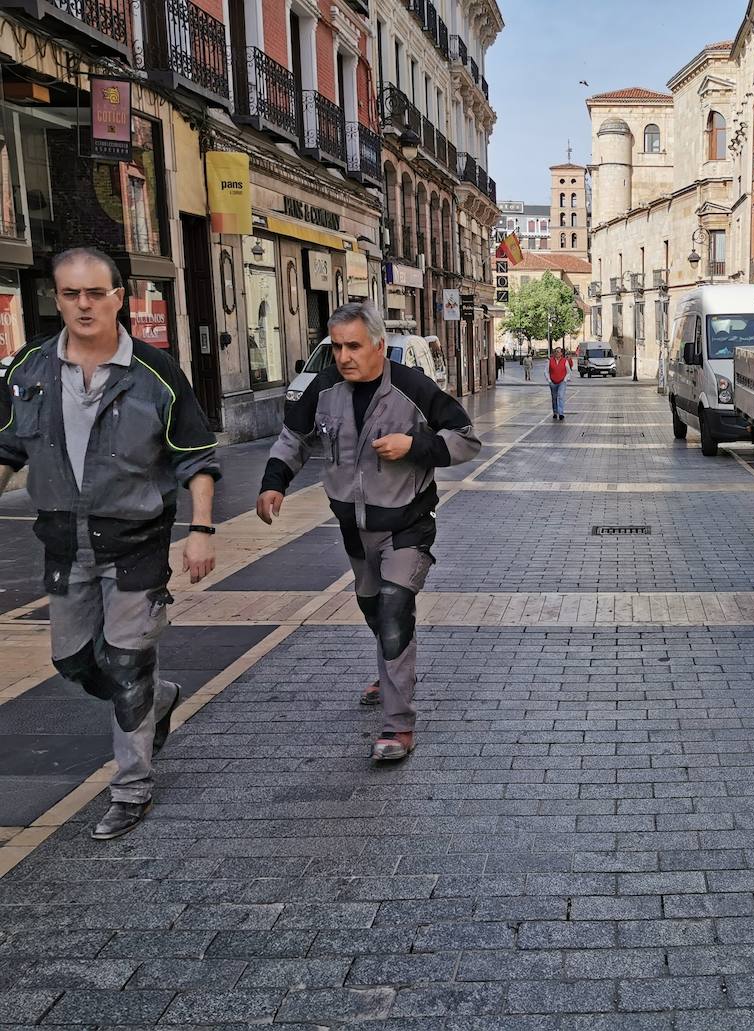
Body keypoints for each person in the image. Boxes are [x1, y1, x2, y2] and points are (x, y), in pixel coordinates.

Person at [0, 247, 219, 840]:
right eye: (71, 294)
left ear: (119, 296)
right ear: (56, 297)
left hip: (135, 545)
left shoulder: (155, 372)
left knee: (126, 662)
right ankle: (159, 696)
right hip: (64, 545)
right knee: (72, 661)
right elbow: (7, 451)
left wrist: (200, 530)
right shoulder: (30, 370)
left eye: (96, 293)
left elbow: (195, 458)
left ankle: (132, 787)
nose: (83, 305)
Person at [257, 302, 480, 762]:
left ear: (379, 345)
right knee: (372, 606)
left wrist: (416, 445)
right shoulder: (322, 390)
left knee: (396, 610)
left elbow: (466, 437)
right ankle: (391, 668)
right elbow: (293, 440)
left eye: (354, 346)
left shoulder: (413, 387)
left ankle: (397, 727)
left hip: (407, 525)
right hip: (354, 528)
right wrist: (273, 485)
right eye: (337, 346)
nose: (344, 356)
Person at [547, 346, 572, 421]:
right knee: (554, 397)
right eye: (556, 351)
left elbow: (568, 372)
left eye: (559, 351)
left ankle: (561, 413)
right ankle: (555, 412)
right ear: (554, 353)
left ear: (561, 353)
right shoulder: (550, 361)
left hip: (561, 382)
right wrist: (549, 380)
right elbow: (546, 371)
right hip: (553, 382)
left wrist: (565, 380)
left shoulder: (565, 361)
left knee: (560, 396)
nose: (557, 353)